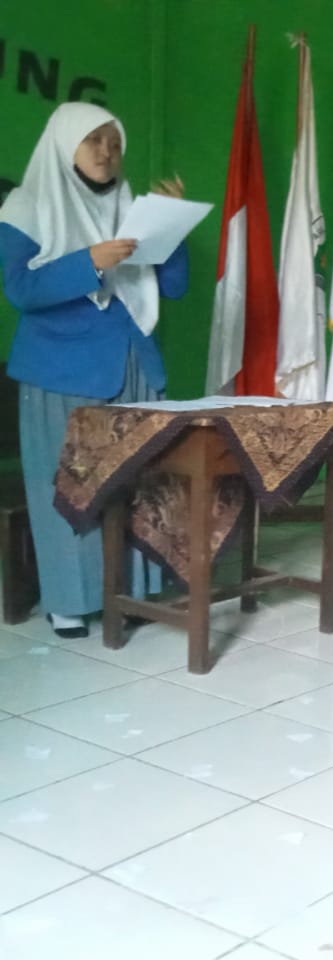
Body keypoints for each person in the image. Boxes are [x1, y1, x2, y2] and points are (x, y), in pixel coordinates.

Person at [0, 103, 188, 639]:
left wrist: (171, 229)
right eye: (94, 140)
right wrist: (90, 261)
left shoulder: (131, 208)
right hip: (61, 370)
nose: (107, 152)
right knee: (70, 486)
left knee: (138, 483)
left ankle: (131, 594)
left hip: (132, 363)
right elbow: (21, 289)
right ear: (65, 144)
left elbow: (173, 286)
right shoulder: (27, 206)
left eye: (115, 142)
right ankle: (69, 601)